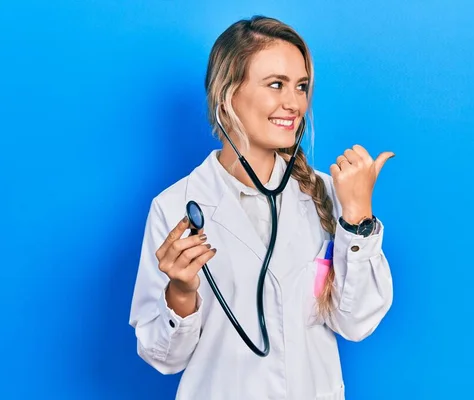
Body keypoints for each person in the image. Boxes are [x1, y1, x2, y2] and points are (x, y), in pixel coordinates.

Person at [129, 15, 394, 400]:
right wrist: (181, 292)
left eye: (301, 86)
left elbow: (355, 323)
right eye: (276, 85)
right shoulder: (174, 207)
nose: (294, 103)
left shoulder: (325, 191)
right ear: (227, 94)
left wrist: (358, 220)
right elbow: (164, 358)